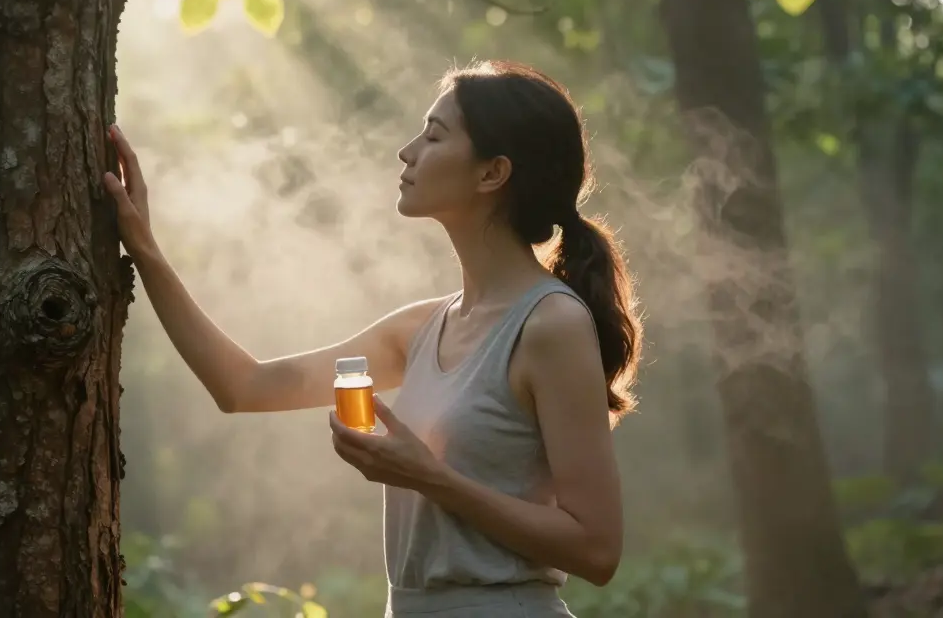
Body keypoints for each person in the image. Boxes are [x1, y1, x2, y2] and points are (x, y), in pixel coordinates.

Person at [102, 59, 642, 617]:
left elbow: (596, 550)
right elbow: (245, 386)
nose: (406, 151)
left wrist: (432, 479)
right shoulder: (422, 328)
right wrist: (145, 250)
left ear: (492, 173)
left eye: (434, 135)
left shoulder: (551, 325)